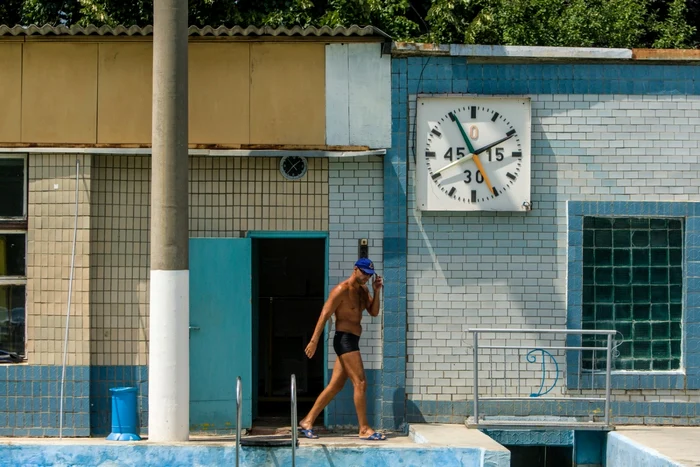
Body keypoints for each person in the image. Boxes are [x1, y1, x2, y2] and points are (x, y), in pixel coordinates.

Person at [297, 258, 386, 441]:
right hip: (344, 340)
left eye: (369, 275)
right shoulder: (341, 290)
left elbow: (374, 312)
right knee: (360, 382)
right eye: (364, 273)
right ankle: (363, 428)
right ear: (355, 269)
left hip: (353, 340)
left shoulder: (363, 290)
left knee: (335, 385)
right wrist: (314, 341)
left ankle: (307, 421)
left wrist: (377, 292)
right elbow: (324, 314)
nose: (367, 278)